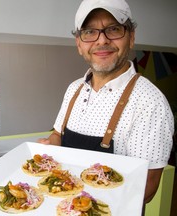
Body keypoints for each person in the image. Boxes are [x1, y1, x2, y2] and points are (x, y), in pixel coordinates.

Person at [38, 0, 174, 208]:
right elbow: (58, 135)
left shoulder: (149, 102)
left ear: (131, 37)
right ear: (79, 44)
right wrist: (49, 149)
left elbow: (147, 188)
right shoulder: (74, 89)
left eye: (113, 29)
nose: (101, 40)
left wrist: (83, 202)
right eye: (90, 32)